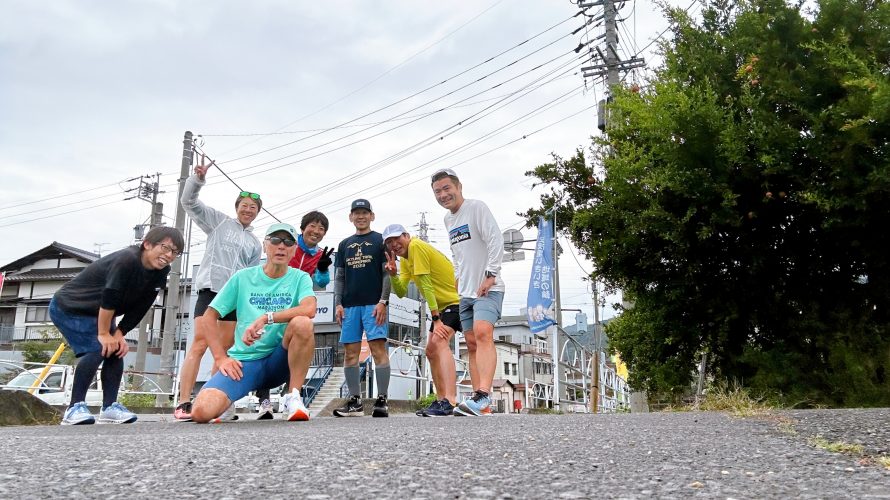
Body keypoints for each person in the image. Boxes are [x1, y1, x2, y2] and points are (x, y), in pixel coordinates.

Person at [50, 226, 184, 425]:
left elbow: (142, 306)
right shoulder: (127, 260)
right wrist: (104, 333)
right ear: (147, 244)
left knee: (115, 350)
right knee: (98, 349)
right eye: (165, 247)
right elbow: (110, 296)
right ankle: (74, 407)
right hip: (70, 307)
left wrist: (120, 333)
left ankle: (110, 407)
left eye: (174, 252)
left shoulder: (161, 271)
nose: (168, 255)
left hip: (102, 312)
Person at [190, 223, 317, 423]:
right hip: (245, 362)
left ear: (294, 250)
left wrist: (267, 317)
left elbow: (310, 309)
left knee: (302, 323)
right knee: (201, 412)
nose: (281, 246)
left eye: (288, 242)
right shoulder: (242, 277)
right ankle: (228, 403)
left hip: (280, 360)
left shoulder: (300, 277)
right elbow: (208, 316)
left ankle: (293, 396)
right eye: (275, 240)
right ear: (265, 245)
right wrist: (220, 358)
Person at [174, 159, 263, 421]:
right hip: (211, 292)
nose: (248, 210)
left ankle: (213, 403)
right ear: (236, 208)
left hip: (234, 299)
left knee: (224, 350)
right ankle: (183, 402)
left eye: (253, 207)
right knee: (200, 345)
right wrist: (197, 179)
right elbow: (188, 203)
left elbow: (249, 277)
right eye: (244, 206)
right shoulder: (219, 222)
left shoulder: (255, 243)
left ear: (258, 212)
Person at [431, 168, 505, 416]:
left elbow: (495, 238)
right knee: (471, 343)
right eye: (438, 191)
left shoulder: (476, 208)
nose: (443, 195)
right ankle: (478, 403)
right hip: (465, 291)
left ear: (459, 186)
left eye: (446, 188)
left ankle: (483, 395)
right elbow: (457, 252)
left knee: (484, 333)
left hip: (487, 287)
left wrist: (491, 273)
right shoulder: (448, 220)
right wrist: (457, 276)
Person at [381, 224, 462, 417]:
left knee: (440, 342)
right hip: (443, 306)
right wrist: (393, 275)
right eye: (389, 243)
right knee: (431, 351)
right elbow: (400, 292)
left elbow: (425, 284)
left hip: (455, 301)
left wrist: (435, 319)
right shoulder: (407, 259)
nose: (394, 245)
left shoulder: (416, 246)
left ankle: (450, 400)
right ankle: (441, 399)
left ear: (407, 236)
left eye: (397, 239)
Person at [332, 199, 391, 418]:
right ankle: (355, 402)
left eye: (365, 212)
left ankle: (382, 399)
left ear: (372, 216)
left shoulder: (380, 241)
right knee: (350, 354)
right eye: (356, 213)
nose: (360, 216)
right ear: (350, 217)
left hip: (374, 305)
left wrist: (383, 301)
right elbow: (339, 277)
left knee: (377, 350)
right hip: (349, 306)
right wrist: (338, 303)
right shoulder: (344, 244)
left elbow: (387, 273)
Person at [288, 210, 334, 290]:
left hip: (299, 296)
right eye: (312, 226)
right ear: (302, 229)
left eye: (321, 228)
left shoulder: (321, 255)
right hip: (277, 292)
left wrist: (323, 270)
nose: (316, 231)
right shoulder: (288, 244)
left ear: (324, 234)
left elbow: (322, 283)